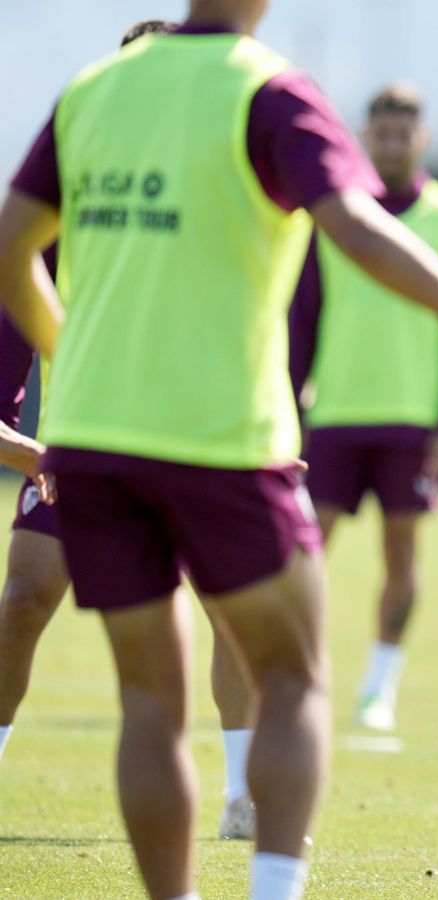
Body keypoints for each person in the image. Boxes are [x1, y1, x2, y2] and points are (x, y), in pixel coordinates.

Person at [0, 2, 438, 898]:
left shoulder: (90, 92)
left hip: (94, 442)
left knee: (150, 704)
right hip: (218, 439)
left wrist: (71, 363)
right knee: (295, 678)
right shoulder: (269, 90)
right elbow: (354, 226)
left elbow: (13, 246)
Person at [0, 17, 263, 845]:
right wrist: (36, 451)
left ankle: (242, 793)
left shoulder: (213, 233)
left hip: (201, 457)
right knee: (22, 600)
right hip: (85, 464)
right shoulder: (48, 245)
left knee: (232, 625)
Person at [289, 83, 438, 733]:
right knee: (303, 550)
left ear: (421, 139)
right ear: (365, 136)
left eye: (406, 133)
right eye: (383, 133)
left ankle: (379, 685)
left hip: (411, 420)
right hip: (336, 416)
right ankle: (298, 675)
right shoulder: (335, 216)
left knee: (401, 554)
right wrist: (289, 409)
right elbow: (304, 319)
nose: (394, 144)